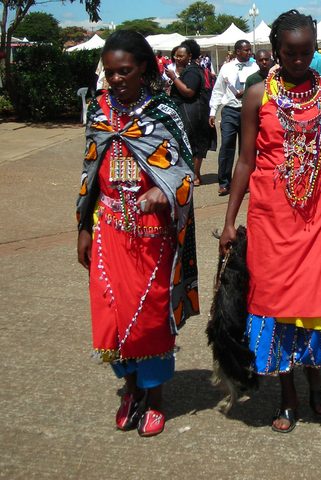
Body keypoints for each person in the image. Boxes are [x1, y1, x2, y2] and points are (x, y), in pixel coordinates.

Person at [218, 9, 321, 434]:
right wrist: (230, 221)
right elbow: (245, 161)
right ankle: (287, 393)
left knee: (316, 299)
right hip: (269, 216)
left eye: (306, 51)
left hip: (319, 213)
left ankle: (315, 374)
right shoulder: (256, 96)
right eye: (289, 52)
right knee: (276, 304)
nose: (298, 60)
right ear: (275, 50)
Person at [76, 30, 199, 437]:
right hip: (107, 228)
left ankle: (156, 396)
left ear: (143, 67)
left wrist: (161, 190)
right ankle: (131, 389)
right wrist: (82, 228)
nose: (116, 79)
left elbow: (181, 169)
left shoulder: (162, 112)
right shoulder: (98, 111)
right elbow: (89, 173)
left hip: (151, 234)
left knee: (148, 316)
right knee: (112, 313)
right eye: (110, 72)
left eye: (124, 71)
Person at [209, 39, 259, 196]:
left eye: (250, 50)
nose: (249, 52)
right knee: (227, 146)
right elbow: (218, 90)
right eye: (246, 50)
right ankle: (224, 182)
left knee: (247, 148)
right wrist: (212, 111)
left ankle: (245, 181)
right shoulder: (227, 67)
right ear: (238, 51)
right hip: (230, 110)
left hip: (248, 112)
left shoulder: (255, 66)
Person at [166, 42, 209, 186]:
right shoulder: (187, 70)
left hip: (192, 111)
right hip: (186, 109)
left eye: (180, 56)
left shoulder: (192, 71)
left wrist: (174, 78)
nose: (177, 58)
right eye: (175, 56)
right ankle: (191, 174)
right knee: (189, 143)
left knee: (194, 143)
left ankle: (195, 175)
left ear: (189, 56)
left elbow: (189, 91)